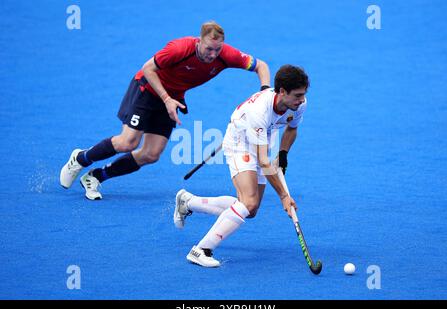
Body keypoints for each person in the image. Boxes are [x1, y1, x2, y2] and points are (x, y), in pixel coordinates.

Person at [59, 21, 270, 200]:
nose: (213, 55)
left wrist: (263, 92)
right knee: (128, 142)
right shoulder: (179, 49)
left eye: (217, 50)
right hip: (147, 89)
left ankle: (96, 177)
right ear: (199, 41)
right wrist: (166, 98)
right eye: (208, 49)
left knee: (151, 154)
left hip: (173, 99)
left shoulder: (227, 55)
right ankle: (80, 159)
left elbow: (261, 66)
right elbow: (148, 68)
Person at [173, 65, 309, 267]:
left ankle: (188, 202)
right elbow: (263, 161)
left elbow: (291, 129)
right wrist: (283, 196)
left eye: (303, 95)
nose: (301, 99)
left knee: (249, 209)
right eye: (297, 95)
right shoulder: (259, 112)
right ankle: (201, 249)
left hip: (264, 140)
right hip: (239, 142)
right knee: (249, 203)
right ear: (282, 92)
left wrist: (282, 154)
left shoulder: (299, 104)